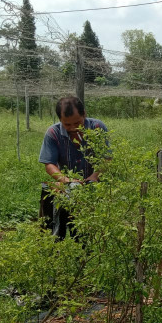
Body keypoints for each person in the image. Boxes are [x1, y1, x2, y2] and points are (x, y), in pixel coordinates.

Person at [38, 97, 109, 239]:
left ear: (84, 114)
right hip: (64, 185)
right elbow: (49, 164)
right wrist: (65, 180)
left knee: (87, 232)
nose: (73, 128)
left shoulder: (97, 128)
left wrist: (94, 176)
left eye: (77, 123)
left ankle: (85, 250)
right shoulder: (53, 133)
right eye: (67, 124)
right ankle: (55, 245)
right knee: (53, 223)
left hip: (93, 184)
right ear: (60, 120)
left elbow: (106, 158)